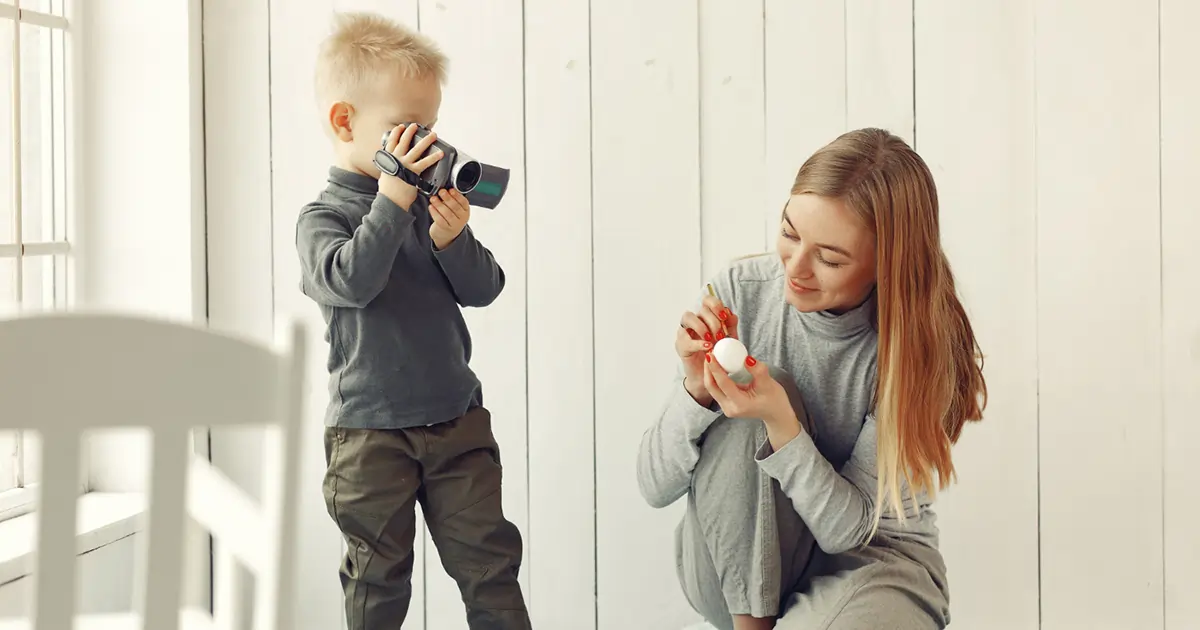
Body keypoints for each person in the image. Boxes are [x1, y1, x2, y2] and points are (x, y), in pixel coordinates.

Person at [637, 128, 987, 630]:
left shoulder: (914, 345)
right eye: (789, 232)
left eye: (830, 257)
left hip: (871, 565)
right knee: (745, 403)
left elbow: (849, 533)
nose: (795, 269)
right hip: (735, 571)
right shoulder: (741, 291)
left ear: (883, 266)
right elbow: (653, 486)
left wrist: (781, 422)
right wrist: (696, 393)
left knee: (763, 399)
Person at [295, 12, 531, 630]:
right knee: (377, 580)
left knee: (491, 567)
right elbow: (352, 280)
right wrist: (394, 200)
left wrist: (454, 238)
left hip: (455, 419)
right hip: (370, 433)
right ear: (345, 121)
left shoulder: (424, 204)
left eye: (429, 128)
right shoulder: (323, 218)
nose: (425, 145)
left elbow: (485, 289)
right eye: (407, 129)